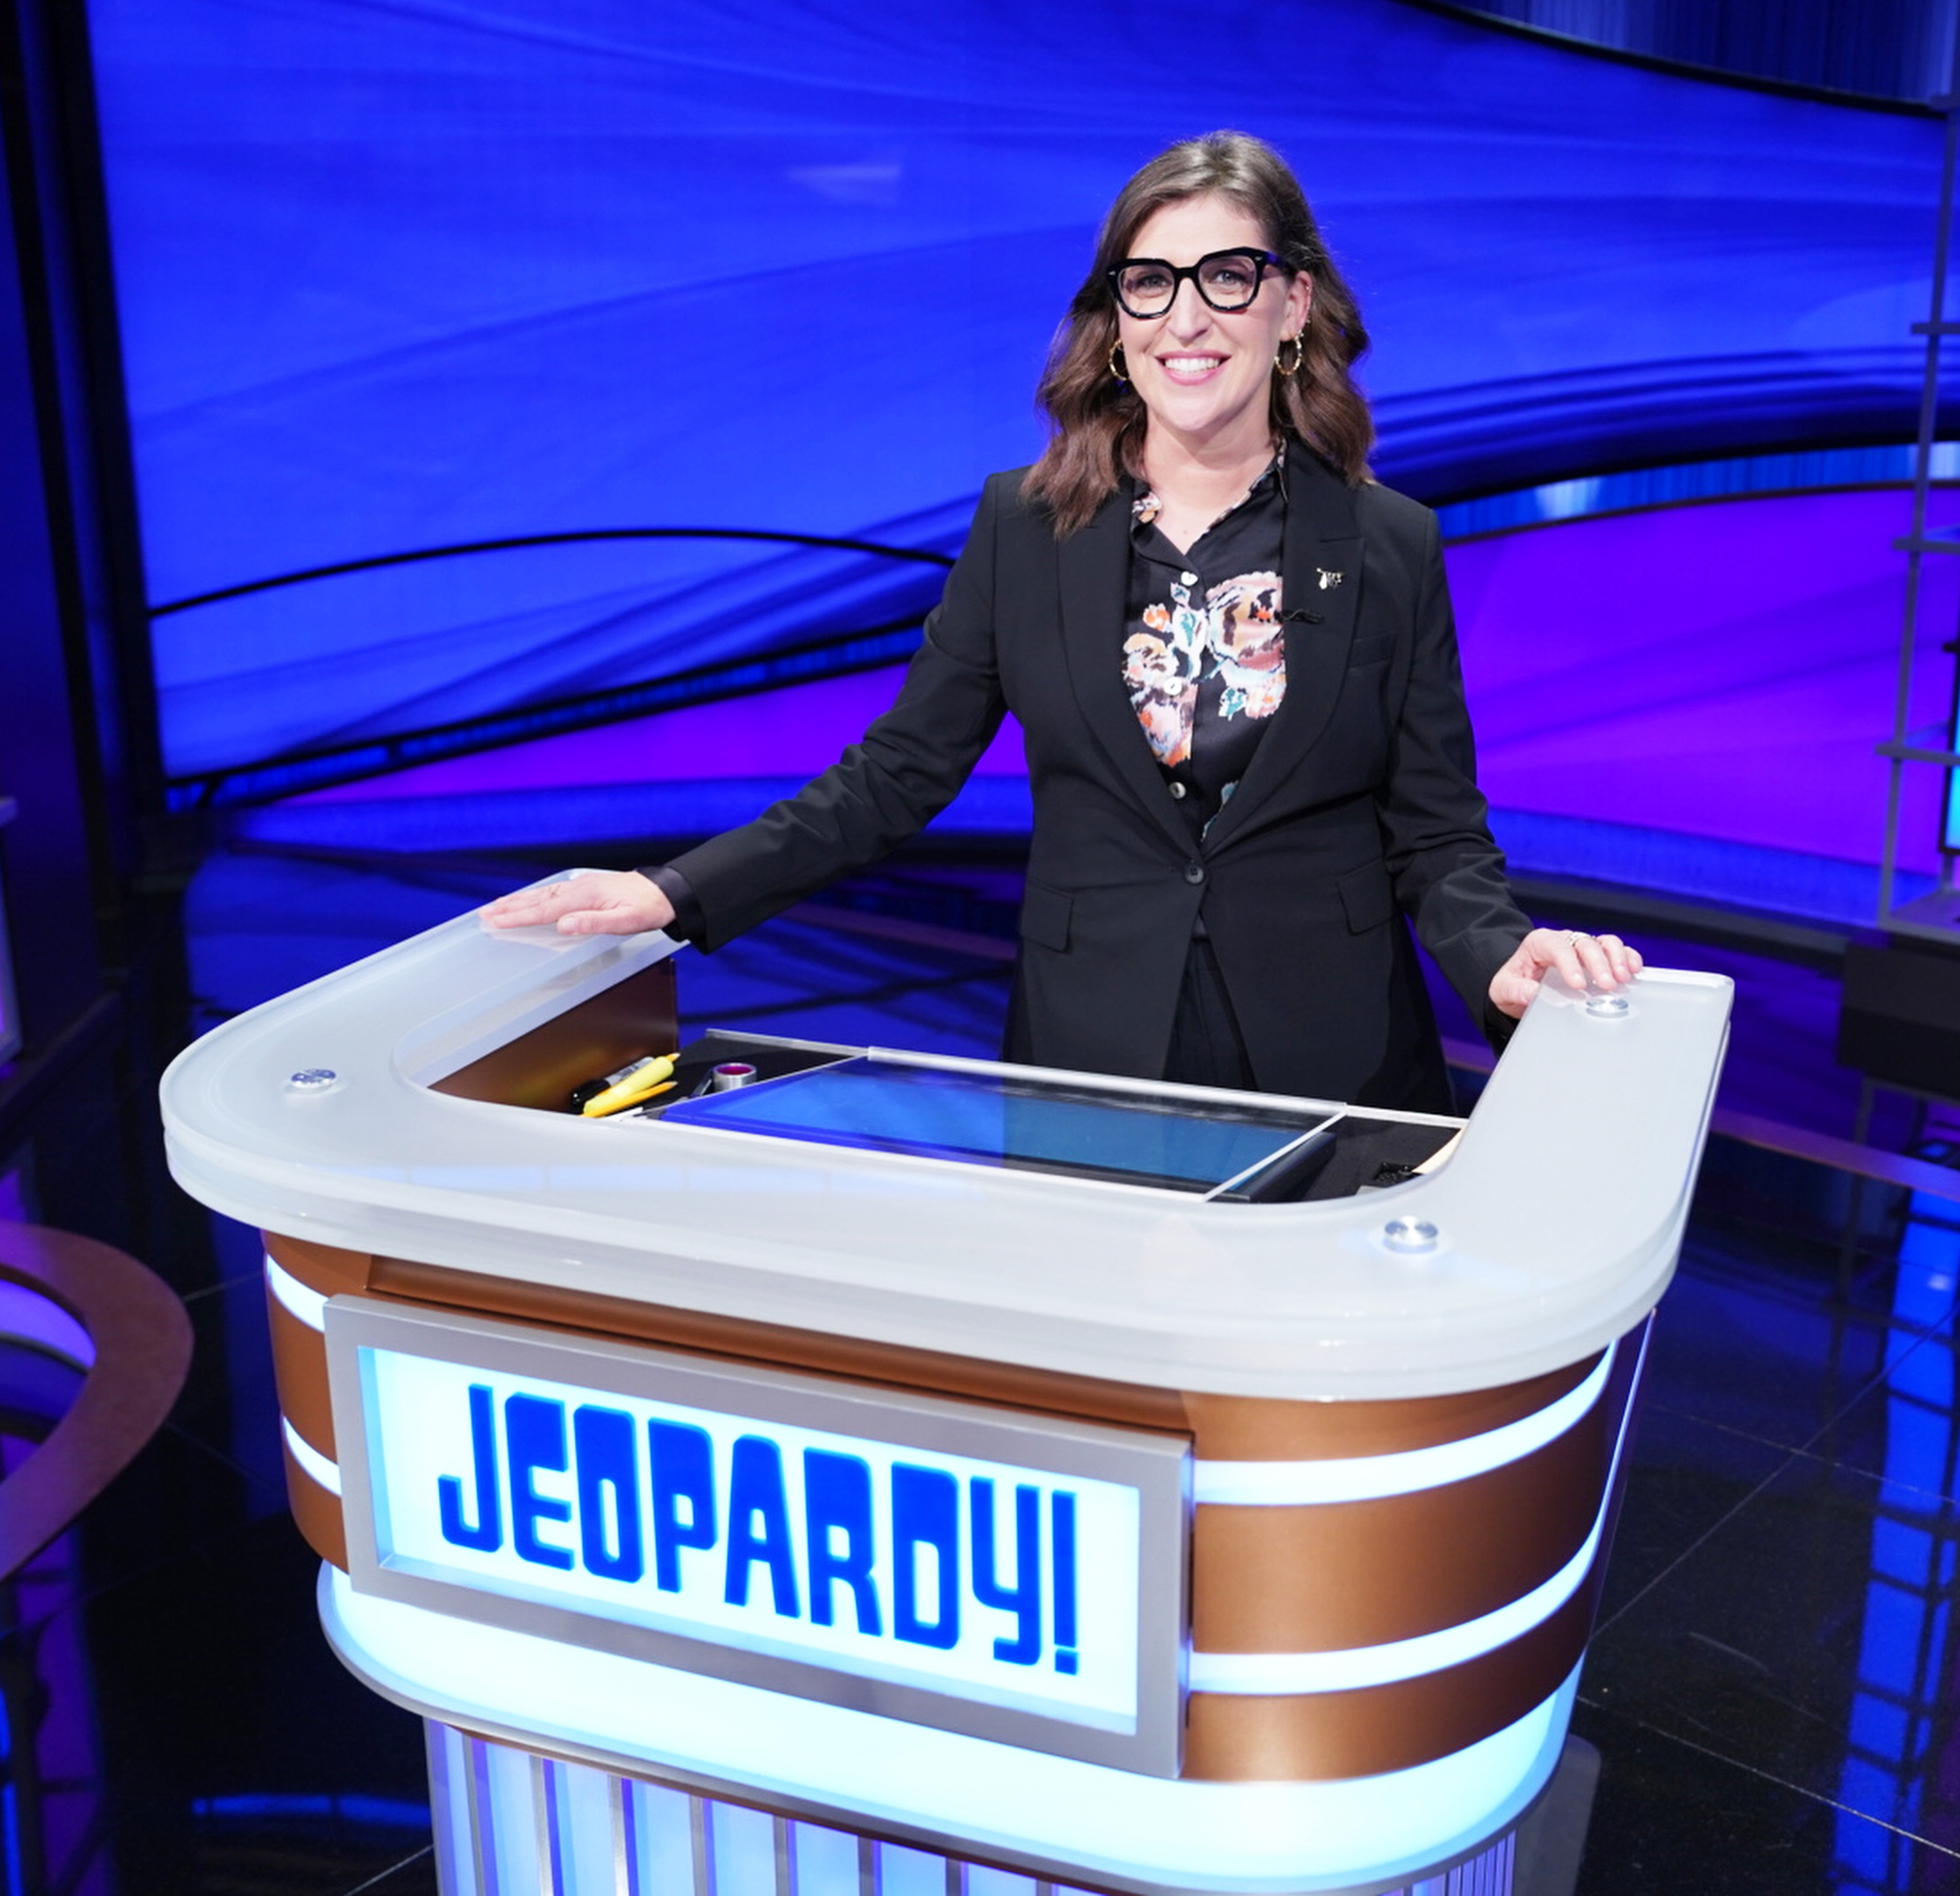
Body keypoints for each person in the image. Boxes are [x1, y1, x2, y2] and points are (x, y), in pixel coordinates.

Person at [485, 131, 1639, 1111]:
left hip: (1333, 1063)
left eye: (1228, 275)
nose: (1187, 317)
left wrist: (1501, 959)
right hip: (1094, 1058)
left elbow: (1435, 833)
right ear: (1115, 318)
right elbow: (896, 775)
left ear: (1293, 305)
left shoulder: (1388, 542)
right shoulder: (1024, 528)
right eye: (1151, 282)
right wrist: (676, 894)